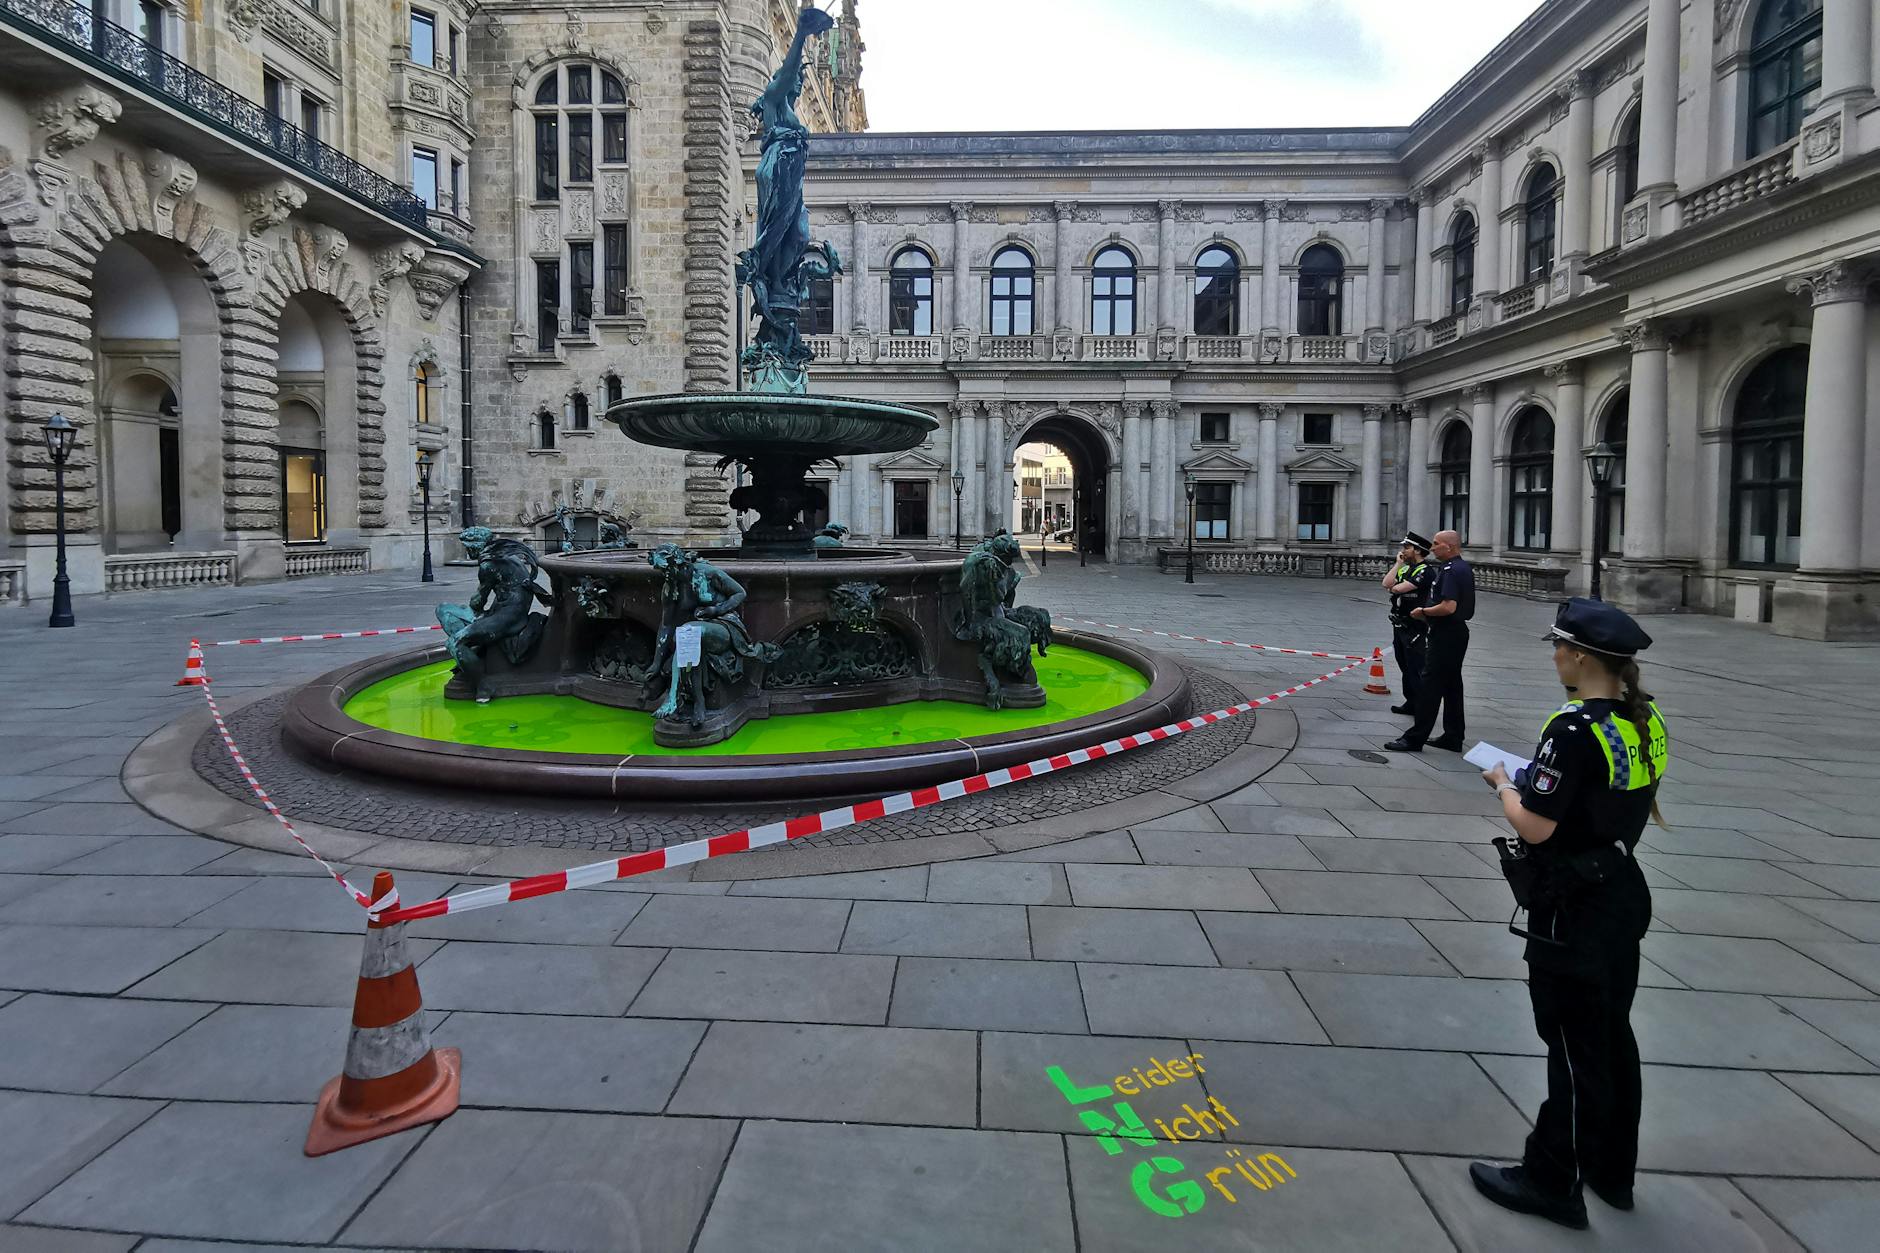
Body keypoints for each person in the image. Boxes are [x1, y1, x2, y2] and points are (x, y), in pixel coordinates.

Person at [1468, 598, 1668, 1230]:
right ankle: (1612, 1170)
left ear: (1579, 656)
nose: (1555, 655)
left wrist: (1504, 784)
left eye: (1559, 646)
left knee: (1573, 1046)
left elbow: (1536, 826)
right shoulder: (1645, 719)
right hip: (1621, 888)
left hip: (1572, 904)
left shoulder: (1573, 729)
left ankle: (1554, 1179)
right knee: (1612, 1034)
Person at [1385, 529, 1473, 752]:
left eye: (1436, 544)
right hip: (1456, 633)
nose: (1432, 548)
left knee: (1429, 686)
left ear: (1449, 547)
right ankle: (1453, 736)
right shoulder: (1461, 567)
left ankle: (1414, 738)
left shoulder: (1451, 570)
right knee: (1452, 686)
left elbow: (1448, 606)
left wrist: (1423, 611)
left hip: (1445, 632)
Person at [1381, 532, 1434, 716]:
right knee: (1404, 665)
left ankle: (1422, 706)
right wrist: (1398, 564)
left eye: (1407, 547)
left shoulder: (1425, 571)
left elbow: (1398, 588)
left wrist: (1394, 588)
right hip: (1400, 625)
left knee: (1416, 667)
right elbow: (1386, 583)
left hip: (1416, 626)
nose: (1403, 551)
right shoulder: (1405, 569)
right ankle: (1411, 702)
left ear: (1417, 550)